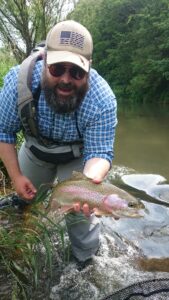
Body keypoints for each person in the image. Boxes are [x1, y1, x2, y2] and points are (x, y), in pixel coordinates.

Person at [0, 20, 117, 262]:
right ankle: (18, 249)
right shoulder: (18, 82)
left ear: (89, 69)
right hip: (34, 150)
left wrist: (89, 184)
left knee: (80, 218)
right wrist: (16, 176)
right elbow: (3, 133)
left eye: (76, 72)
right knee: (24, 200)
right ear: (44, 60)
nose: (66, 79)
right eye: (57, 69)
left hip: (77, 159)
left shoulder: (102, 99)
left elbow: (100, 153)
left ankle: (86, 262)